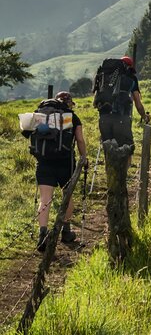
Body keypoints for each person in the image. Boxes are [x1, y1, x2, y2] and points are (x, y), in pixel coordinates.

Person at [30, 92, 88, 251]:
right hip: (65, 163)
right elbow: (80, 140)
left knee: (45, 199)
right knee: (67, 197)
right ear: (69, 103)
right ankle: (66, 231)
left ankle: (42, 233)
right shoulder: (72, 117)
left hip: (44, 162)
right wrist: (84, 157)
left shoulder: (42, 115)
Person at [94, 56, 150, 157]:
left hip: (104, 119)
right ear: (129, 66)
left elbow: (96, 100)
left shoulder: (104, 76)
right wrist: (145, 117)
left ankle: (110, 172)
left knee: (108, 150)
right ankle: (123, 172)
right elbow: (138, 103)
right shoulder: (131, 78)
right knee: (127, 150)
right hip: (121, 118)